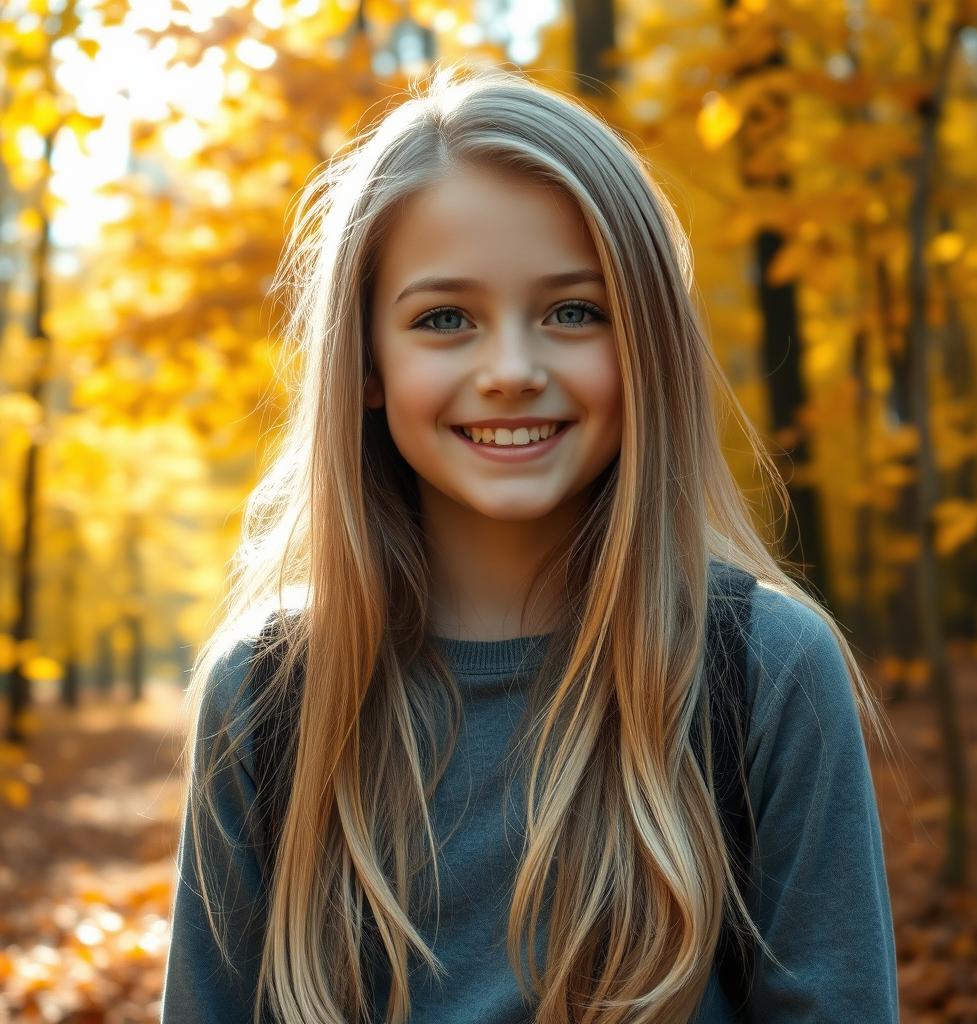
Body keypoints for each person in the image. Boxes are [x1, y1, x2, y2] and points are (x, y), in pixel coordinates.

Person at [161, 60, 900, 1024]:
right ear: (367, 362)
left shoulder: (763, 673)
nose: (511, 370)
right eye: (444, 319)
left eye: (573, 312)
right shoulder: (264, 699)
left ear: (645, 344)